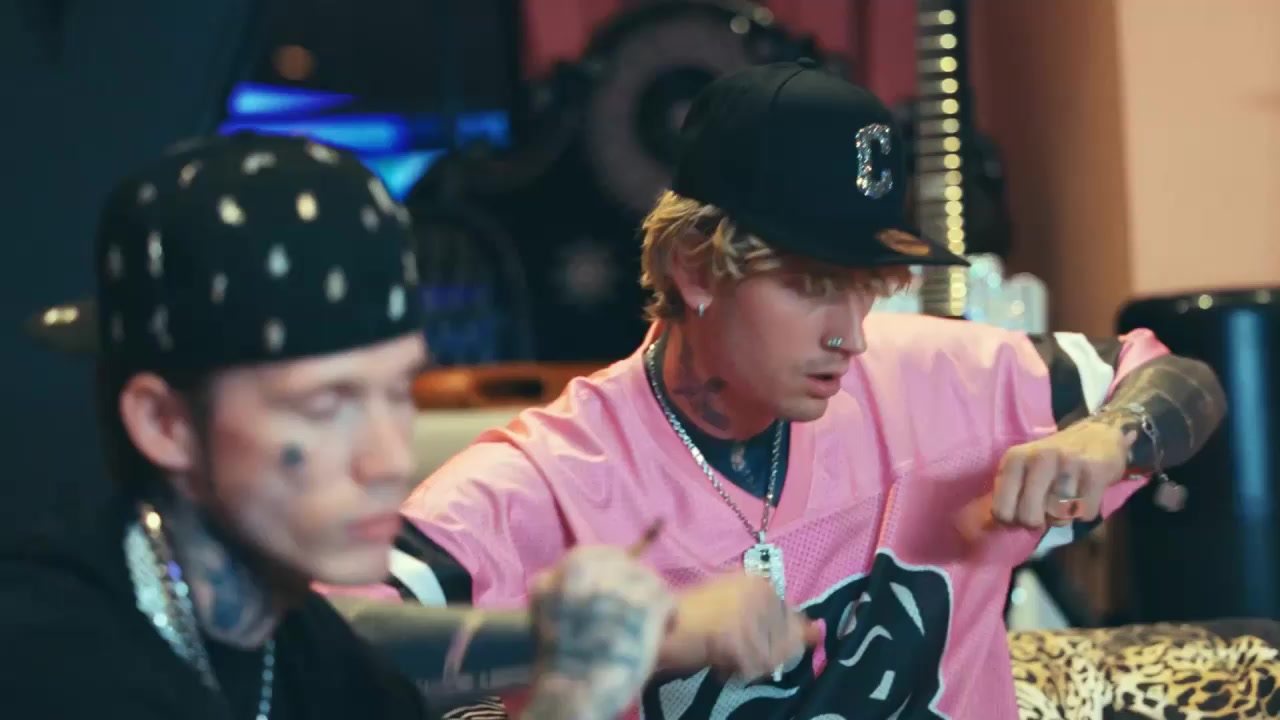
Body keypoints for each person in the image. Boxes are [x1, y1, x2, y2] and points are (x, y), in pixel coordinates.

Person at [371, 61, 1229, 719]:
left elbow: (1179, 380)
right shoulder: (549, 479)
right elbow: (325, 648)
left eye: (867, 288)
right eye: (814, 286)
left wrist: (1110, 435)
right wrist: (623, 635)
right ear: (695, 268)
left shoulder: (937, 376)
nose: (851, 335)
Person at [0, 133, 800, 720]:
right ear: (165, 423)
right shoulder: (49, 660)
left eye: (396, 392)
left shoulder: (298, 643)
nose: (387, 459)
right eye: (326, 406)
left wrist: (580, 656)